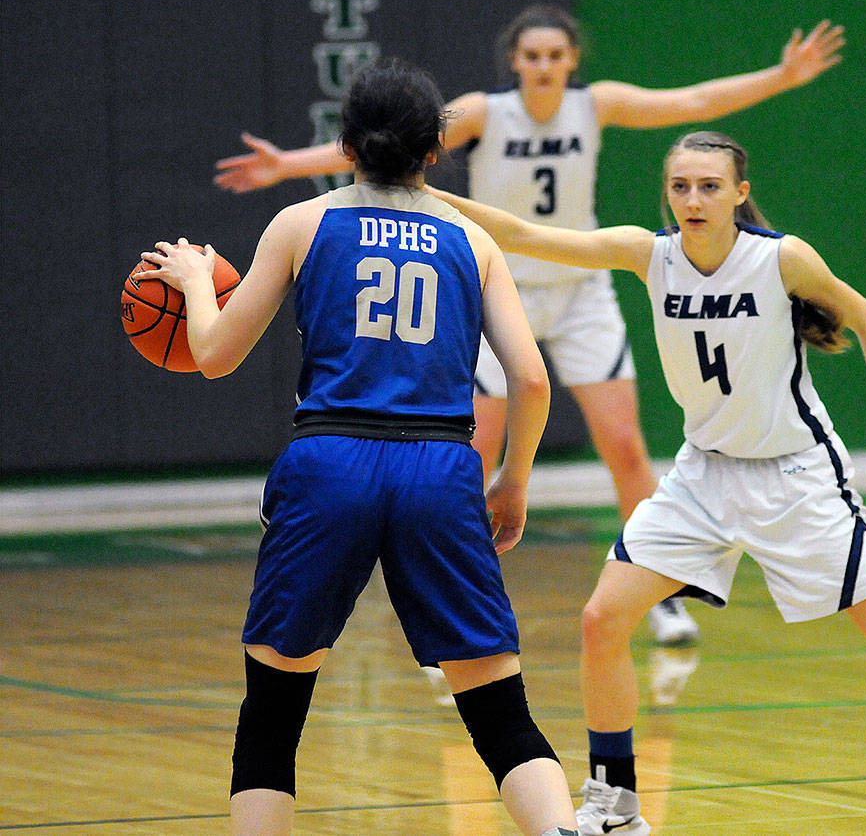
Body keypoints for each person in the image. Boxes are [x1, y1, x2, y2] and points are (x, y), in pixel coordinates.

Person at [430, 130, 866, 836]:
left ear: (739, 193)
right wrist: (418, 193)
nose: (693, 199)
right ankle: (616, 807)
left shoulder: (780, 258)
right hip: (702, 475)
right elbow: (517, 231)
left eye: (709, 186)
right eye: (681, 187)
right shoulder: (650, 254)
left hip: (795, 477)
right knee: (602, 619)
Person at [214, 5, 846, 645]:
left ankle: (664, 593)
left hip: (580, 293)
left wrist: (782, 76)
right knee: (473, 452)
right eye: (531, 56)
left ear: (572, 60)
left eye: (555, 55)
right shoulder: (486, 112)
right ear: (514, 62)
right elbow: (389, 139)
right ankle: (457, 605)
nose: (543, 66)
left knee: (626, 447)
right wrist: (287, 165)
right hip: (500, 285)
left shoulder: (596, 103)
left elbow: (698, 99)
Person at [137, 57, 579, 836]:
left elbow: (211, 354)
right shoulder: (471, 240)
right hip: (442, 469)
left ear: (345, 145)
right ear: (435, 151)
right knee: (501, 716)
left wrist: (196, 279)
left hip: (331, 462)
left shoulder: (302, 225)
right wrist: (511, 480)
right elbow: (532, 381)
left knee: (272, 718)